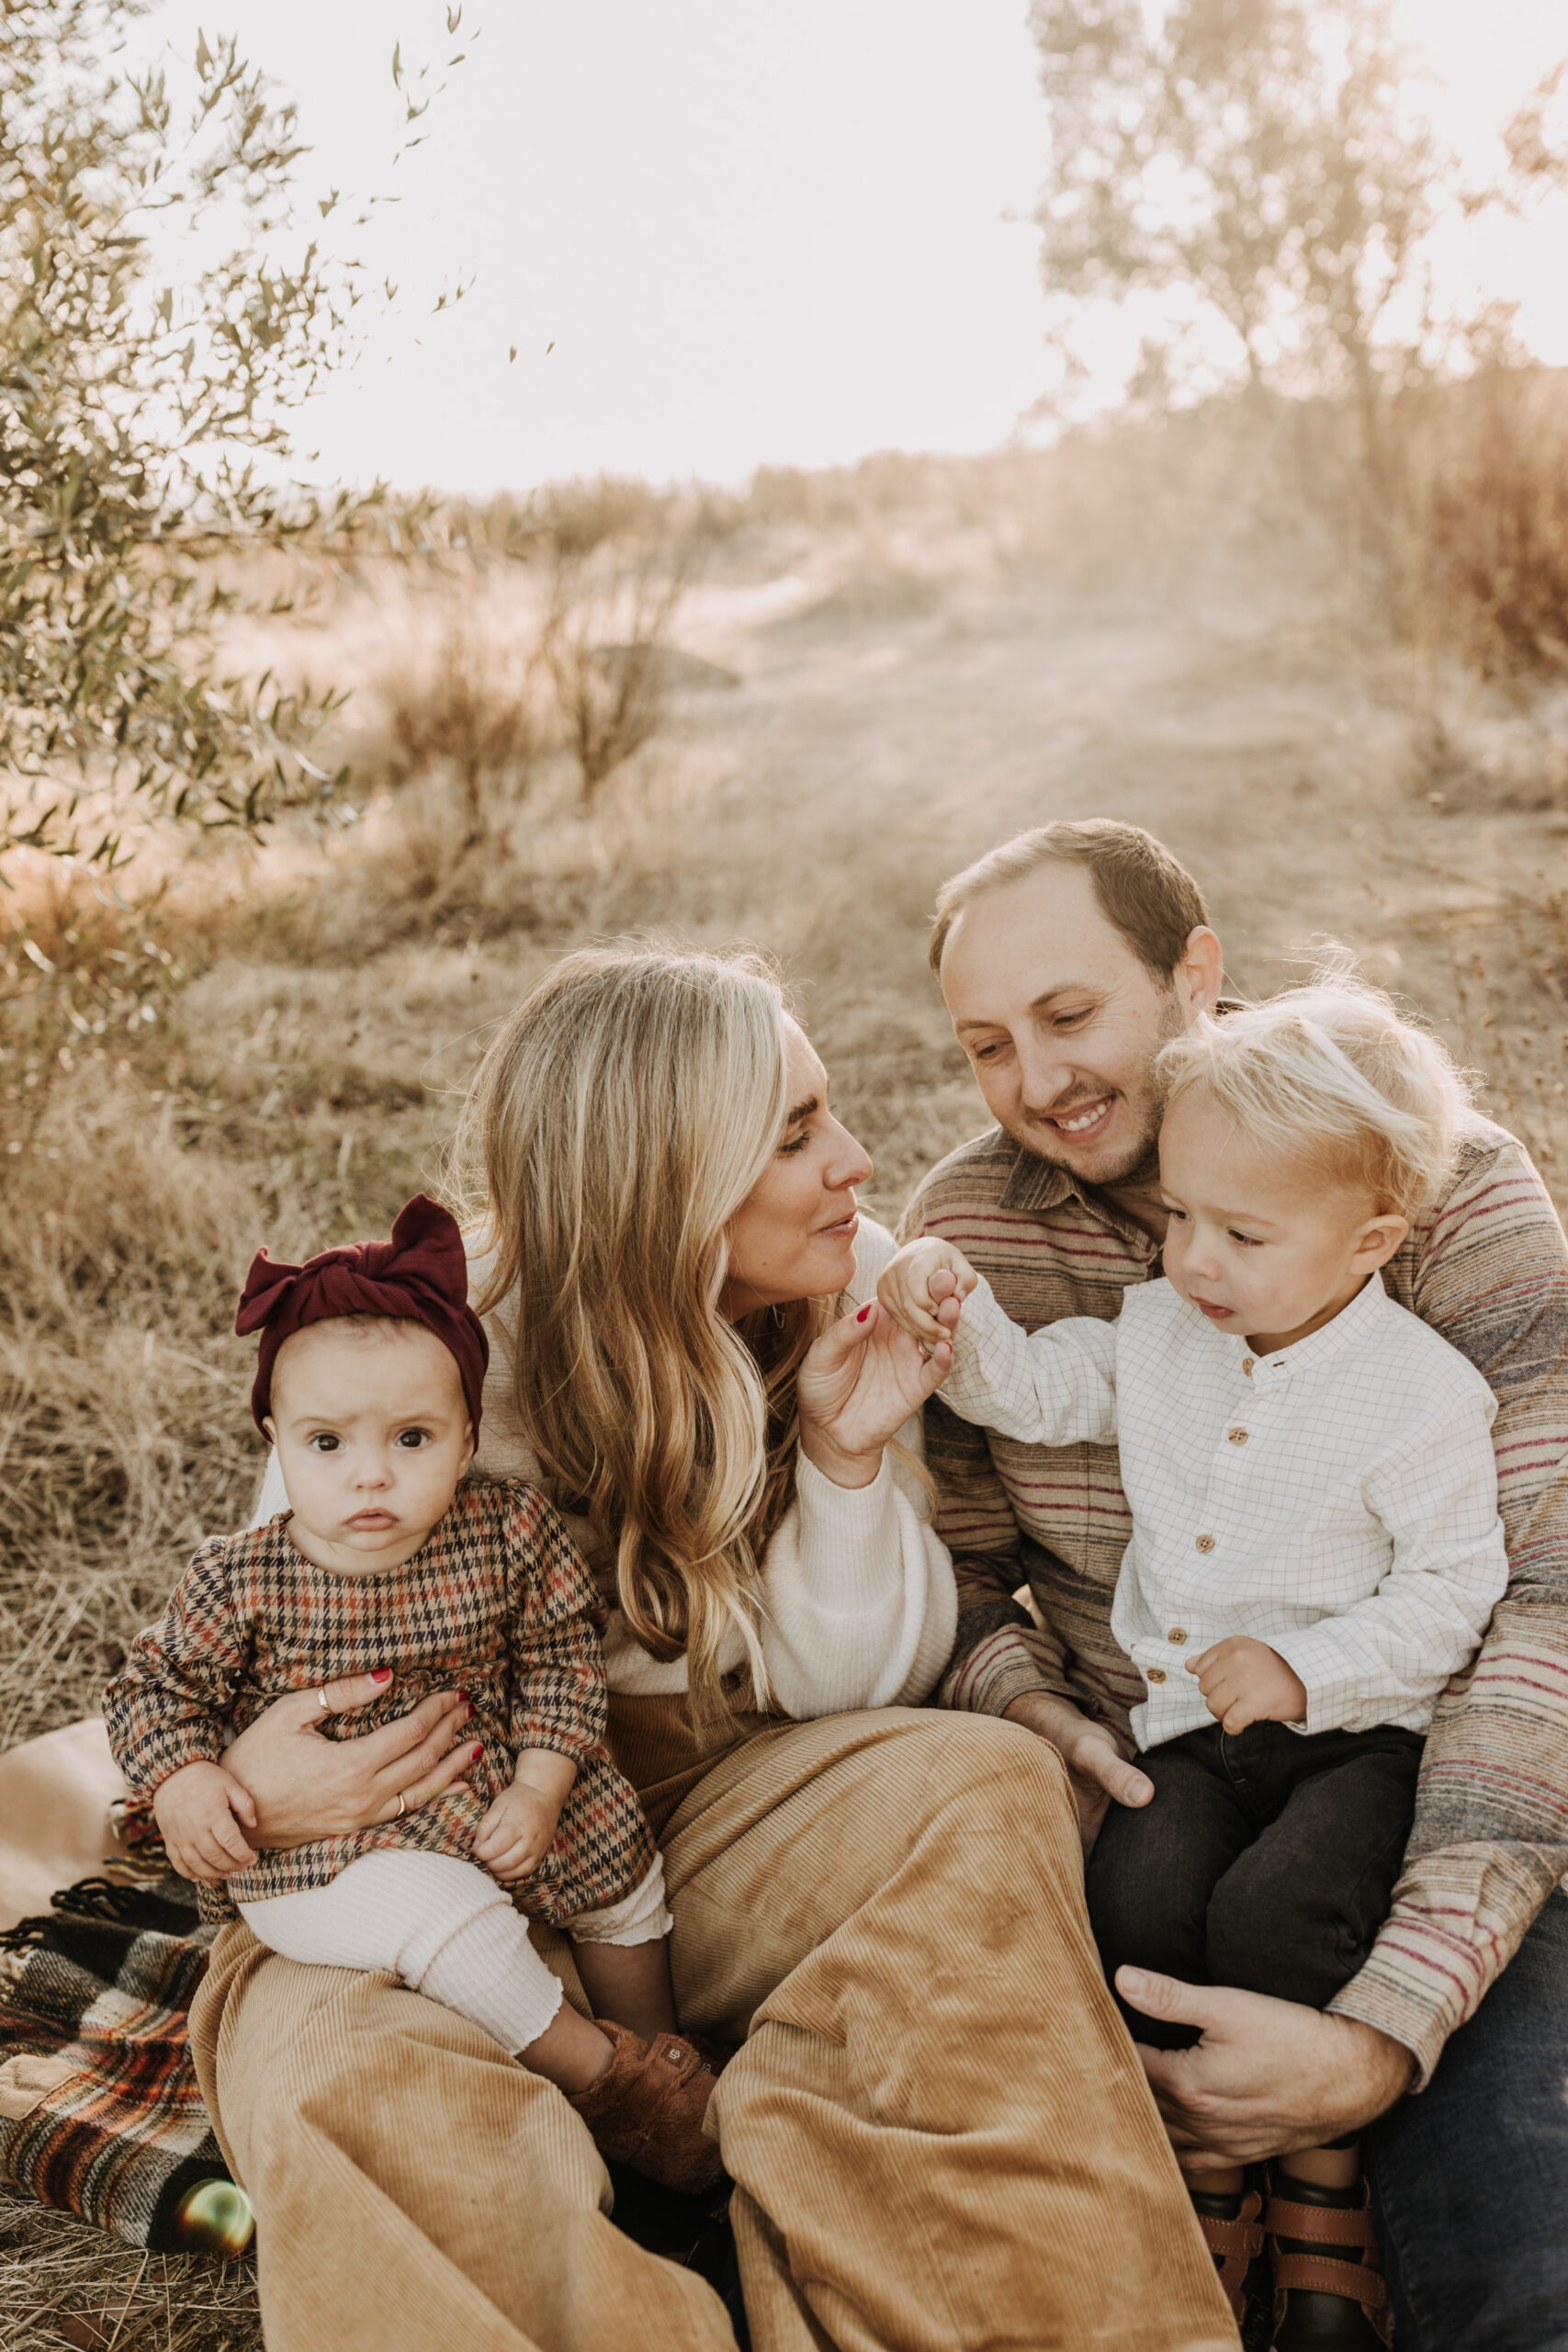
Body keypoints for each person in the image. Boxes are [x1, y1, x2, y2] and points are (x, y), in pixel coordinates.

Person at [185, 944, 1236, 2352]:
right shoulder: (419, 1350)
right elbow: (252, 1670)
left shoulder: (842, 1282)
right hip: (402, 1859)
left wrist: (843, 1459)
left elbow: (845, 1694)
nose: (859, 1162)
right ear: (657, 1184)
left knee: (979, 1787)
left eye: (828, 1113)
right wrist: (250, 1787)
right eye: (797, 1133)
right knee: (340, 2087)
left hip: (706, 1821)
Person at [899, 820, 1568, 2351]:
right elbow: (953, 1564)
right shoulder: (977, 1228)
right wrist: (1033, 1720)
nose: (1038, 1081)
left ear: (1194, 976)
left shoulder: (1434, 1180)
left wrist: (1385, 2027)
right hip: (1146, 1777)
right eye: (987, 1045)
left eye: (1071, 1017)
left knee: (1522, 2262)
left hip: (1433, 1779)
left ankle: (1345, 2197)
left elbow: (1539, 1597)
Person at [104, 1193, 721, 2195]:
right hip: (334, 1853)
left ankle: (658, 2060)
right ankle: (603, 2078)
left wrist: (541, 1788)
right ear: (277, 1441)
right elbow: (149, 1689)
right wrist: (184, 1782)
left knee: (619, 1864)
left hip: (492, 1783)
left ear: (469, 1437)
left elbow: (563, 1658)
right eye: (329, 1444)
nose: (371, 1479)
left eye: (412, 1439)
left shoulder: (506, 1528)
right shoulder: (241, 1579)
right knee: (440, 1913)